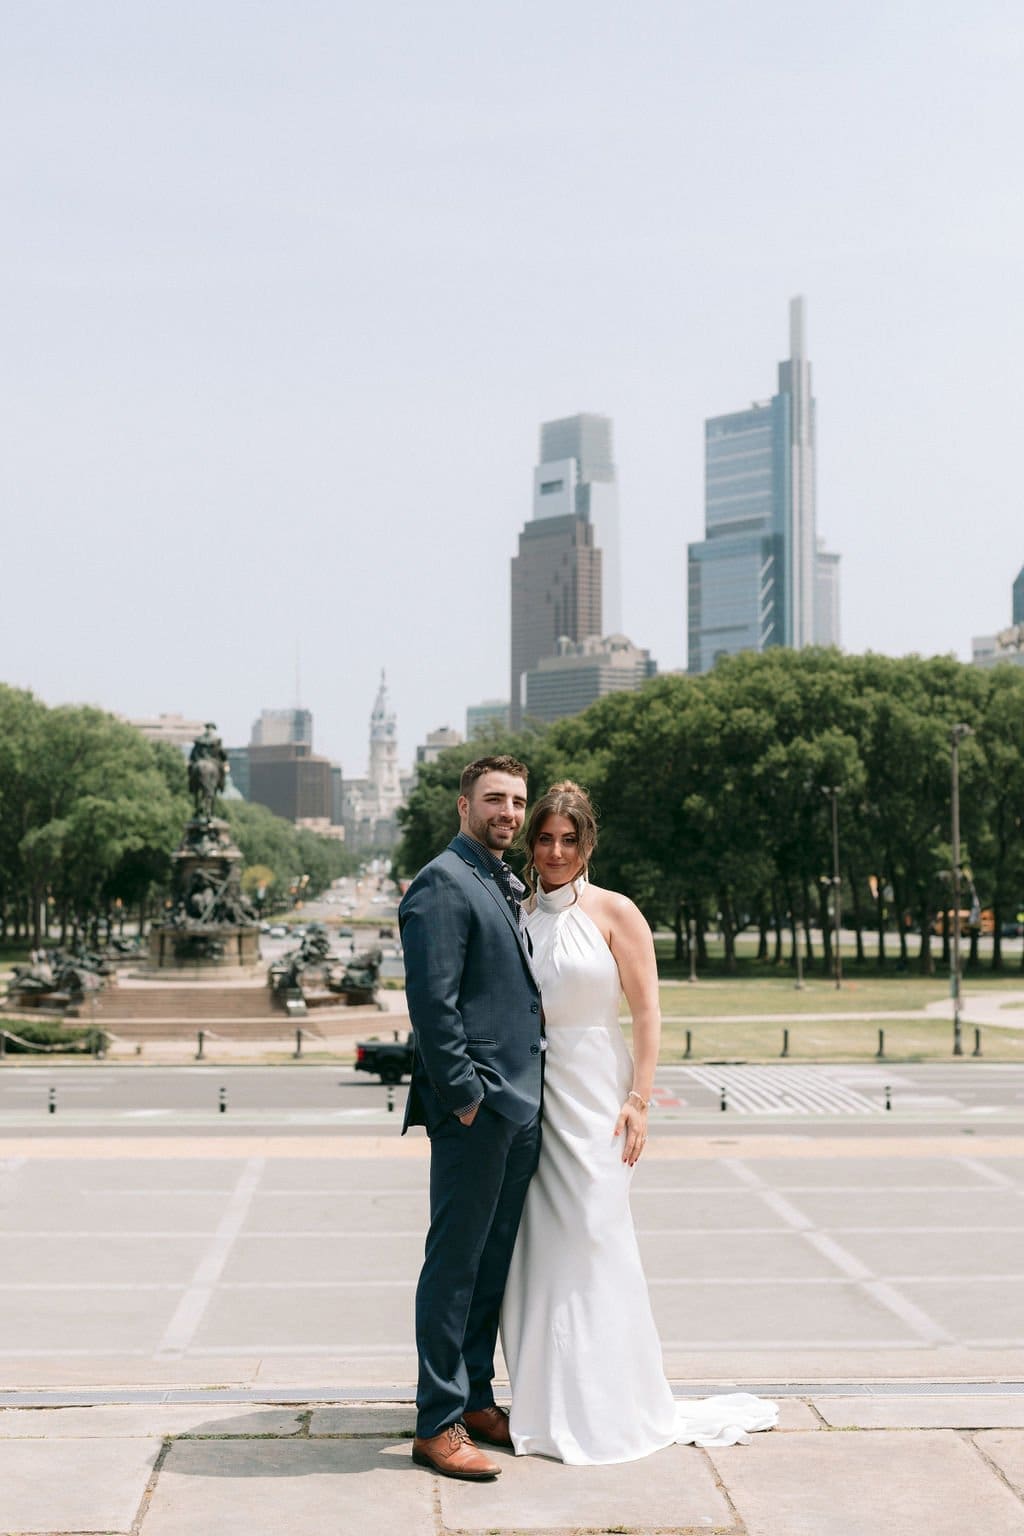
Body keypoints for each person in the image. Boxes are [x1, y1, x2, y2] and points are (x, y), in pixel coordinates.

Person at [501, 780, 777, 1464]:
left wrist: (640, 1100)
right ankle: (546, 1404)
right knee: (539, 1255)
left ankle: (613, 1404)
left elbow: (648, 1012)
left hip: (598, 1097)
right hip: (535, 1098)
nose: (556, 851)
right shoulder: (516, 913)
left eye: (569, 839)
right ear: (531, 843)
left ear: (588, 842)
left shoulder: (617, 913)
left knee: (596, 1239)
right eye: (544, 838)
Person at [399, 755, 544, 1481]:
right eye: (494, 800)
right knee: (454, 1264)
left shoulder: (497, 878)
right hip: (478, 1110)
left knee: (490, 1264)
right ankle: (437, 1421)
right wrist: (464, 1099)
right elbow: (434, 1007)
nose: (509, 814)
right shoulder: (441, 883)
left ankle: (477, 1398)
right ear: (464, 806)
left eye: (517, 801)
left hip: (518, 1107)